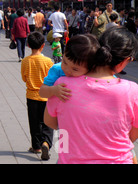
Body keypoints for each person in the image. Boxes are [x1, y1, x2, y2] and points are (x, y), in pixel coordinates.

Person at [44, 26, 138, 164]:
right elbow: (131, 136)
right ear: (124, 61)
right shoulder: (132, 90)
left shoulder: (62, 85)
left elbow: (49, 122)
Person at [21, 32, 54, 160]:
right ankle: (46, 143)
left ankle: (36, 146)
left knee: (34, 122)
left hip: (32, 96)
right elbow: (52, 78)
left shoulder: (25, 61)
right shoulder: (47, 61)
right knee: (47, 123)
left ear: (28, 45)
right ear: (43, 45)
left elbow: (24, 78)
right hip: (46, 96)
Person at [38, 34, 97, 102]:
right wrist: (53, 90)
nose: (67, 70)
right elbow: (41, 92)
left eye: (75, 69)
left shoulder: (91, 75)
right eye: (65, 62)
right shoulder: (57, 69)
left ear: (89, 68)